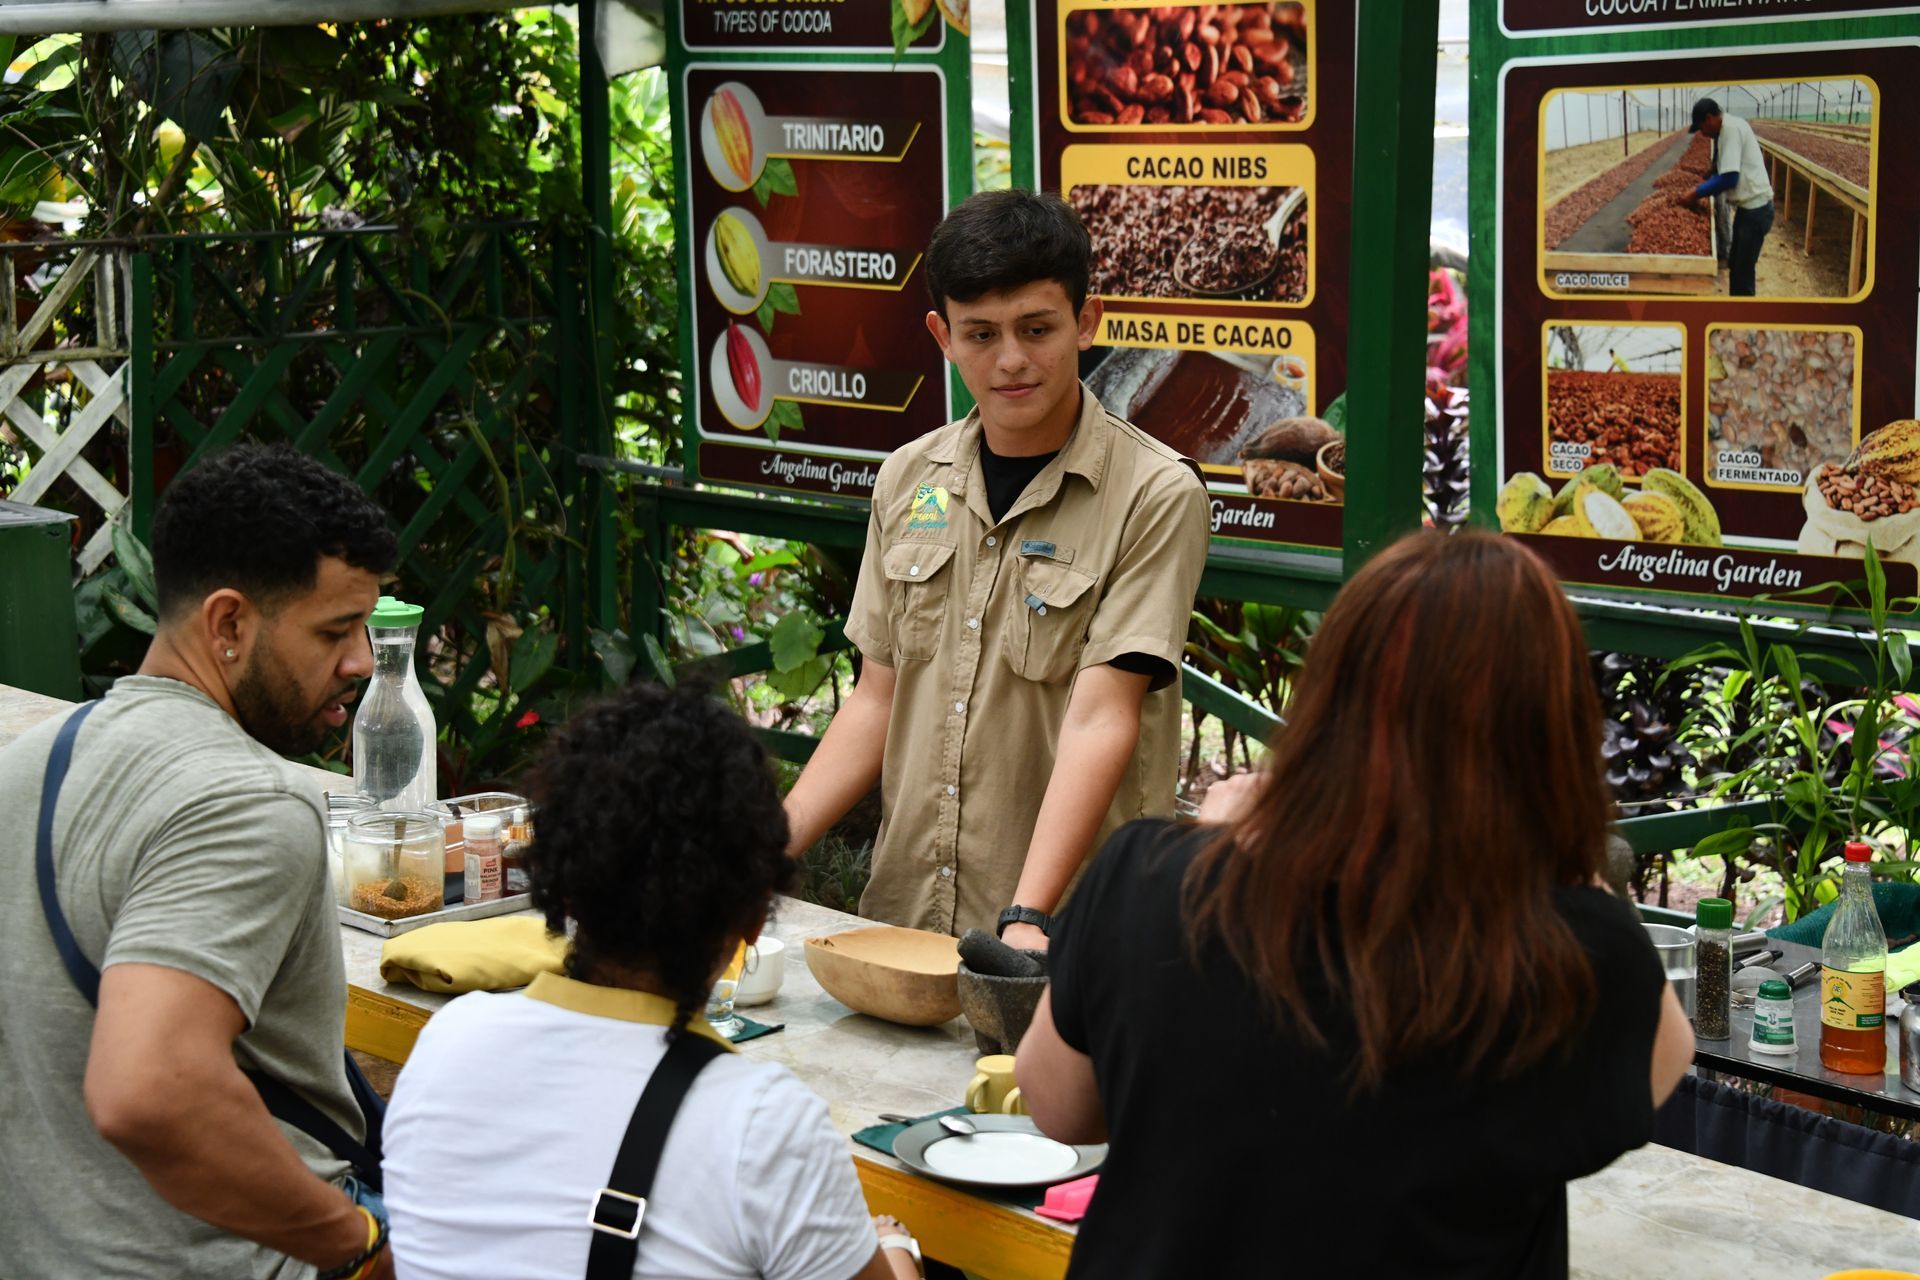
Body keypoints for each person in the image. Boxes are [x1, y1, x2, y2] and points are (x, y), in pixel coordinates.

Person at [1015, 531, 1694, 1278]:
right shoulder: (1572, 960)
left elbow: (1056, 1105)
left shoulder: (1148, 877)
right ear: (1550, 735)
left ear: (1327, 695)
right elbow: (1666, 1059)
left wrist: (1207, 856)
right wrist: (1546, 842)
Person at [0, 444, 399, 1279]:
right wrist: (351, 1246)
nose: (362, 661)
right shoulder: (247, 805)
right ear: (228, 625)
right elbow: (147, 1088)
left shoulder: (30, 765)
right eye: (335, 630)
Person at [781, 189, 1211, 949]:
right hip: (906, 916)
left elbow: (1102, 713)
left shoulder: (1155, 493)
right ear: (942, 335)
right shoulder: (908, 478)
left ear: (1087, 322)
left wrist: (1028, 916)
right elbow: (877, 699)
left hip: (1069, 936)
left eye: (1037, 328)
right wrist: (766, 847)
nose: (1010, 359)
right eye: (980, 333)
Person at [382, 682, 922, 1280]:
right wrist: (898, 1253)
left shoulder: (445, 1046)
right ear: (751, 917)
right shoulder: (763, 1124)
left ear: (559, 885)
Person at [1680, 97, 1775, 297]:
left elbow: (1729, 178)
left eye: (1702, 128)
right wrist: (1706, 176)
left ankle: (1741, 319)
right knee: (1736, 264)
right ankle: (1735, 309)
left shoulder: (1731, 130)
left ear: (1710, 119)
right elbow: (1720, 166)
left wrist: (1696, 192)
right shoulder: (1723, 130)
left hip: (1756, 210)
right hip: (1747, 209)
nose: (1702, 134)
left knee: (1743, 271)